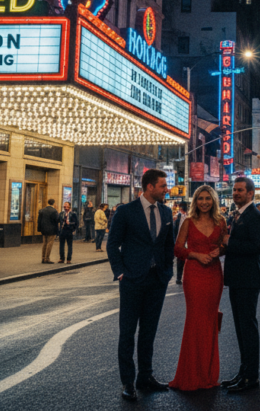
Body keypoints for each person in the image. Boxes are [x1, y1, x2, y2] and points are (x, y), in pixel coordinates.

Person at [106, 169, 175, 402]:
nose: (167, 189)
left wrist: (167, 272)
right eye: (163, 185)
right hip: (132, 281)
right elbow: (112, 244)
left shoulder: (166, 211)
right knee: (127, 333)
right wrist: (120, 273)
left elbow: (168, 245)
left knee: (148, 332)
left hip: (157, 281)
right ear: (149, 187)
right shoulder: (125, 211)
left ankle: (145, 377)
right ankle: (128, 382)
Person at [170, 185, 226, 391]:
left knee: (210, 321)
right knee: (195, 321)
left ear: (213, 201)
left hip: (213, 275)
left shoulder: (221, 221)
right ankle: (191, 374)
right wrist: (195, 254)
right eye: (200, 198)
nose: (204, 202)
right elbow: (177, 248)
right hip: (193, 274)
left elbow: (225, 245)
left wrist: (219, 250)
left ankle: (208, 374)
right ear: (195, 201)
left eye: (208, 199)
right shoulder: (188, 221)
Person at [220, 177, 260, 393]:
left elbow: (257, 247)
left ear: (251, 193)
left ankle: (251, 377)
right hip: (238, 279)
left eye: (240, 190)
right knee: (240, 328)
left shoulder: (254, 216)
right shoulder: (238, 214)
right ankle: (243, 372)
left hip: (248, 280)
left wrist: (230, 242)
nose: (236, 193)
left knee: (247, 328)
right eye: (234, 190)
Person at [37, 199, 59, 264]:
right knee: (49, 244)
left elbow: (39, 221)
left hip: (44, 230)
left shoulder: (42, 210)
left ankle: (43, 258)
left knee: (44, 244)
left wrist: (39, 229)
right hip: (52, 230)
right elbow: (57, 220)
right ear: (54, 204)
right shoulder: (54, 211)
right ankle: (47, 258)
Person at [173, 201, 188, 284]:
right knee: (180, 260)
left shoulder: (188, 216)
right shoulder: (177, 217)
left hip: (187, 241)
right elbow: (175, 229)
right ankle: (179, 277)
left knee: (184, 260)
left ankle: (182, 277)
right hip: (180, 242)